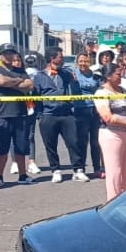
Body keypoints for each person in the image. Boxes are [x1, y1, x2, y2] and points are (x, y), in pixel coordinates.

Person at [34, 48, 88, 182]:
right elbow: (36, 97)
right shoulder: (39, 76)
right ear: (52, 58)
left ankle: (78, 170)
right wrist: (40, 115)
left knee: (73, 142)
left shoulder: (66, 74)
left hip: (66, 113)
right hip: (48, 114)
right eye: (60, 57)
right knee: (50, 144)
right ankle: (56, 170)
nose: (62, 60)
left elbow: (75, 88)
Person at [0, 43, 37, 186]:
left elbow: (29, 85)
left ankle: (23, 175)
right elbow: (1, 81)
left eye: (11, 53)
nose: (9, 56)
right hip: (2, 114)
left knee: (21, 146)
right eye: (6, 53)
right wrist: (17, 82)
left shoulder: (20, 70)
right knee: (1, 148)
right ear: (0, 56)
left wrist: (14, 82)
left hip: (20, 114)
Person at [95, 69, 126, 200]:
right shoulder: (101, 93)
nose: (120, 77)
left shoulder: (123, 91)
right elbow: (107, 117)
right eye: (117, 74)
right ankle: (113, 202)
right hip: (111, 135)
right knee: (115, 172)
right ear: (108, 76)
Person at [72, 52, 105, 178]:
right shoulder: (73, 75)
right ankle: (80, 168)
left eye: (86, 61)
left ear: (90, 62)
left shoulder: (95, 76)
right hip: (80, 110)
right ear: (77, 62)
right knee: (82, 141)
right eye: (81, 61)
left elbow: (100, 90)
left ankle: (97, 168)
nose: (83, 64)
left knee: (95, 141)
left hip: (95, 110)